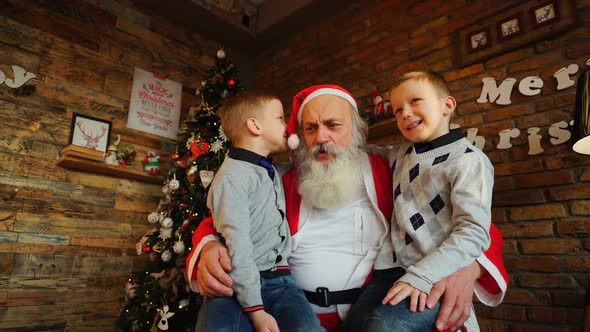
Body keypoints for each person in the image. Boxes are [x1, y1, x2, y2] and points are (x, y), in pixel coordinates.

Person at [187, 85, 509, 332]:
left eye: (332, 125)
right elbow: (229, 211)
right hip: (292, 316)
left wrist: (471, 268)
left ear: (355, 130)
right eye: (310, 129)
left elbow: (473, 222)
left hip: (372, 314)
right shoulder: (278, 178)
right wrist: (208, 244)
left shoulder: (393, 166)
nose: (321, 138)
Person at [343, 71, 495, 332]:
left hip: (433, 271)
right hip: (388, 272)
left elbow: (474, 232)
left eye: (415, 101)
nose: (405, 113)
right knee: (353, 326)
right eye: (398, 109)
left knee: (383, 328)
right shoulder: (401, 155)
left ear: (447, 105)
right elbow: (371, 153)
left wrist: (423, 276)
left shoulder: (468, 161)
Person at [194, 91, 325, 332]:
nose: (287, 125)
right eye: (280, 118)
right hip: (237, 280)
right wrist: (255, 309)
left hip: (281, 281)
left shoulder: (269, 169)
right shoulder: (232, 178)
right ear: (255, 126)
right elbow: (238, 242)